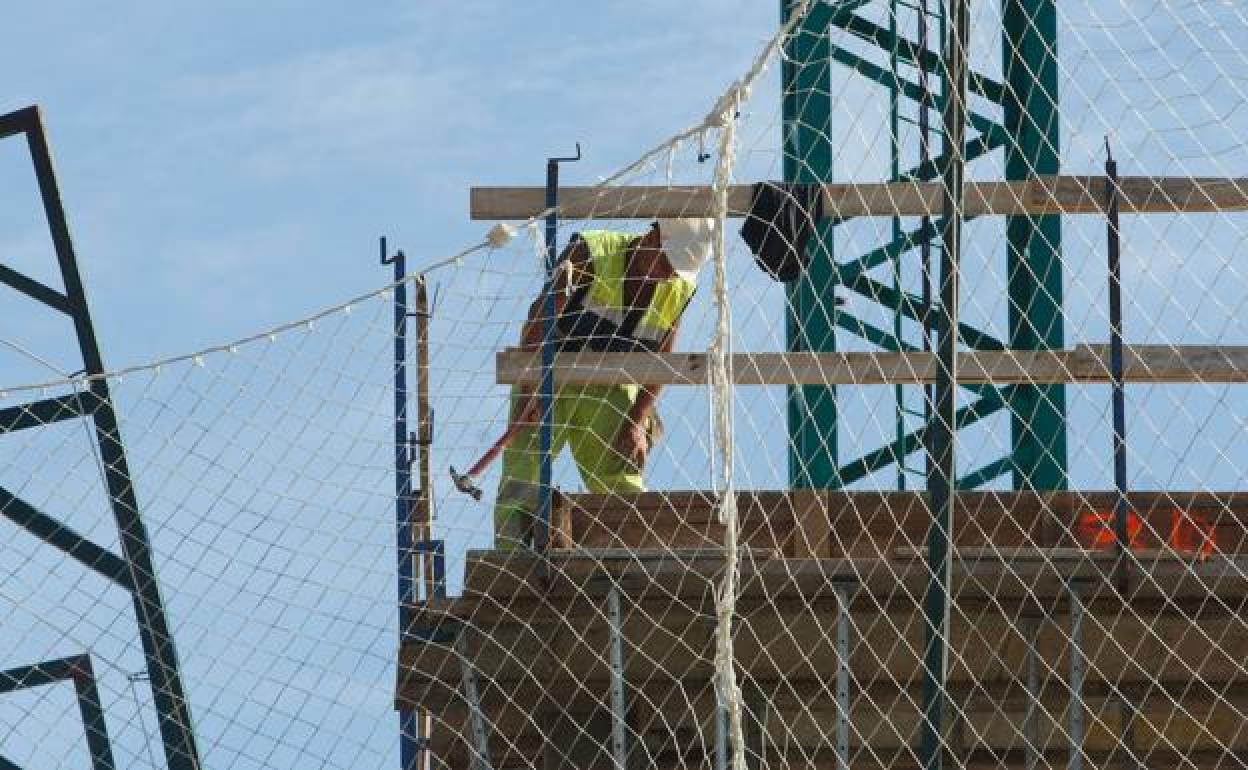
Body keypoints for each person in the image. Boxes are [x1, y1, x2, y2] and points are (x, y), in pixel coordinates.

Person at [493, 218, 714, 549]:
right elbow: (539, 320)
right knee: (523, 476)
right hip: (551, 375)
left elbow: (662, 362)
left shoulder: (678, 288)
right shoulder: (591, 252)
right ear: (652, 236)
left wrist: (638, 420)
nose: (668, 274)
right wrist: (531, 390)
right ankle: (511, 562)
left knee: (621, 476)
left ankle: (632, 562)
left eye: (676, 270)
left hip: (610, 385)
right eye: (666, 262)